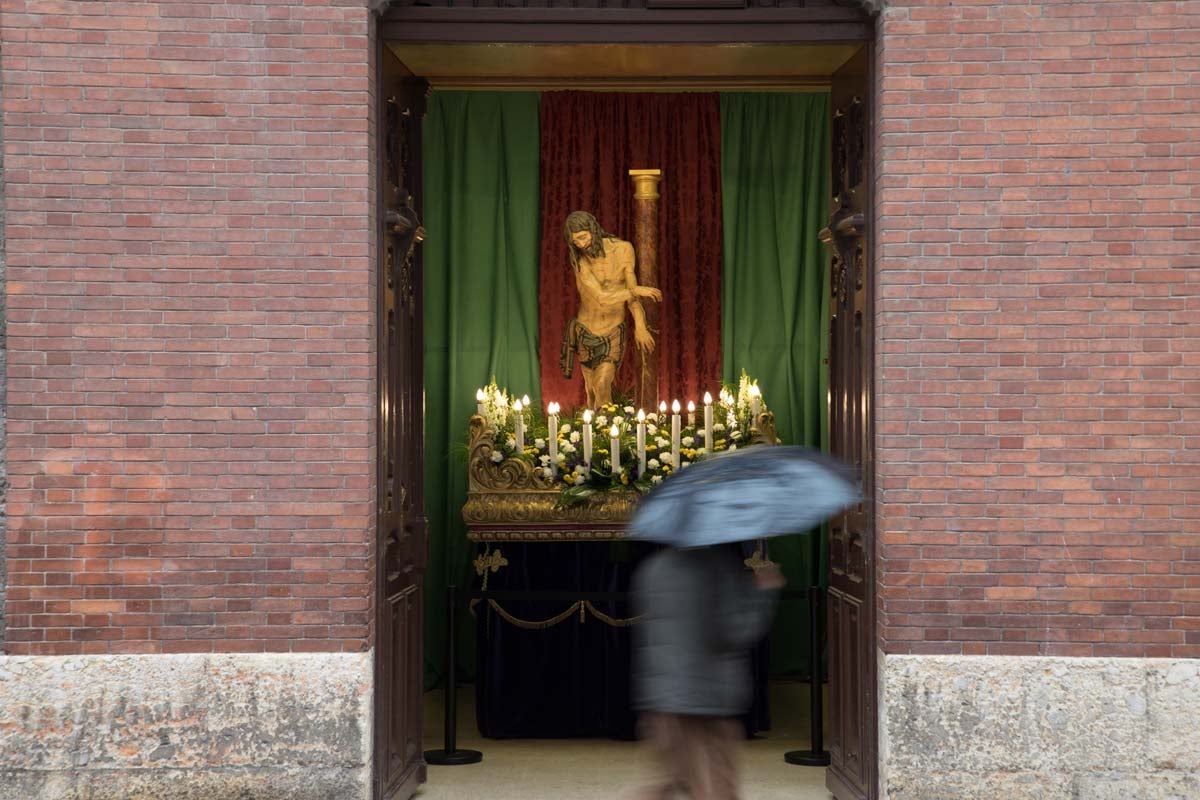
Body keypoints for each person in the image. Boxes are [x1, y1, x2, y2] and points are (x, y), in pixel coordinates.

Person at [629, 542, 784, 800]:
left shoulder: (653, 568)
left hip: (663, 697)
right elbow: (731, 633)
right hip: (708, 699)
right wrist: (764, 594)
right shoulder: (716, 568)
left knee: (664, 781)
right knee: (717, 787)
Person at [559, 211, 662, 408]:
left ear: (594, 229)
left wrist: (640, 325)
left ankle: (608, 434)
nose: (581, 244)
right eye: (575, 241)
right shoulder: (580, 261)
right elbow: (602, 298)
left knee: (602, 384)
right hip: (585, 331)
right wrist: (636, 290)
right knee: (591, 392)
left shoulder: (623, 249)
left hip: (613, 332)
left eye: (583, 237)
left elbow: (631, 292)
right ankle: (599, 436)